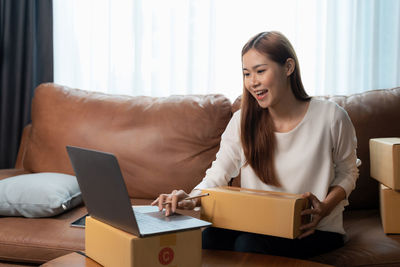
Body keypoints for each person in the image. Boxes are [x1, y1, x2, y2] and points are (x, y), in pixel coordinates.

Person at [151, 31, 359, 259]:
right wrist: (189, 198)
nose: (252, 82)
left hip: (315, 229)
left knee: (248, 244)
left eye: (260, 71)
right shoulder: (243, 120)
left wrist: (325, 207)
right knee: (204, 236)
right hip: (260, 225)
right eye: (246, 73)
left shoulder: (331, 117)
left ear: (288, 67)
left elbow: (348, 172)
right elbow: (218, 174)